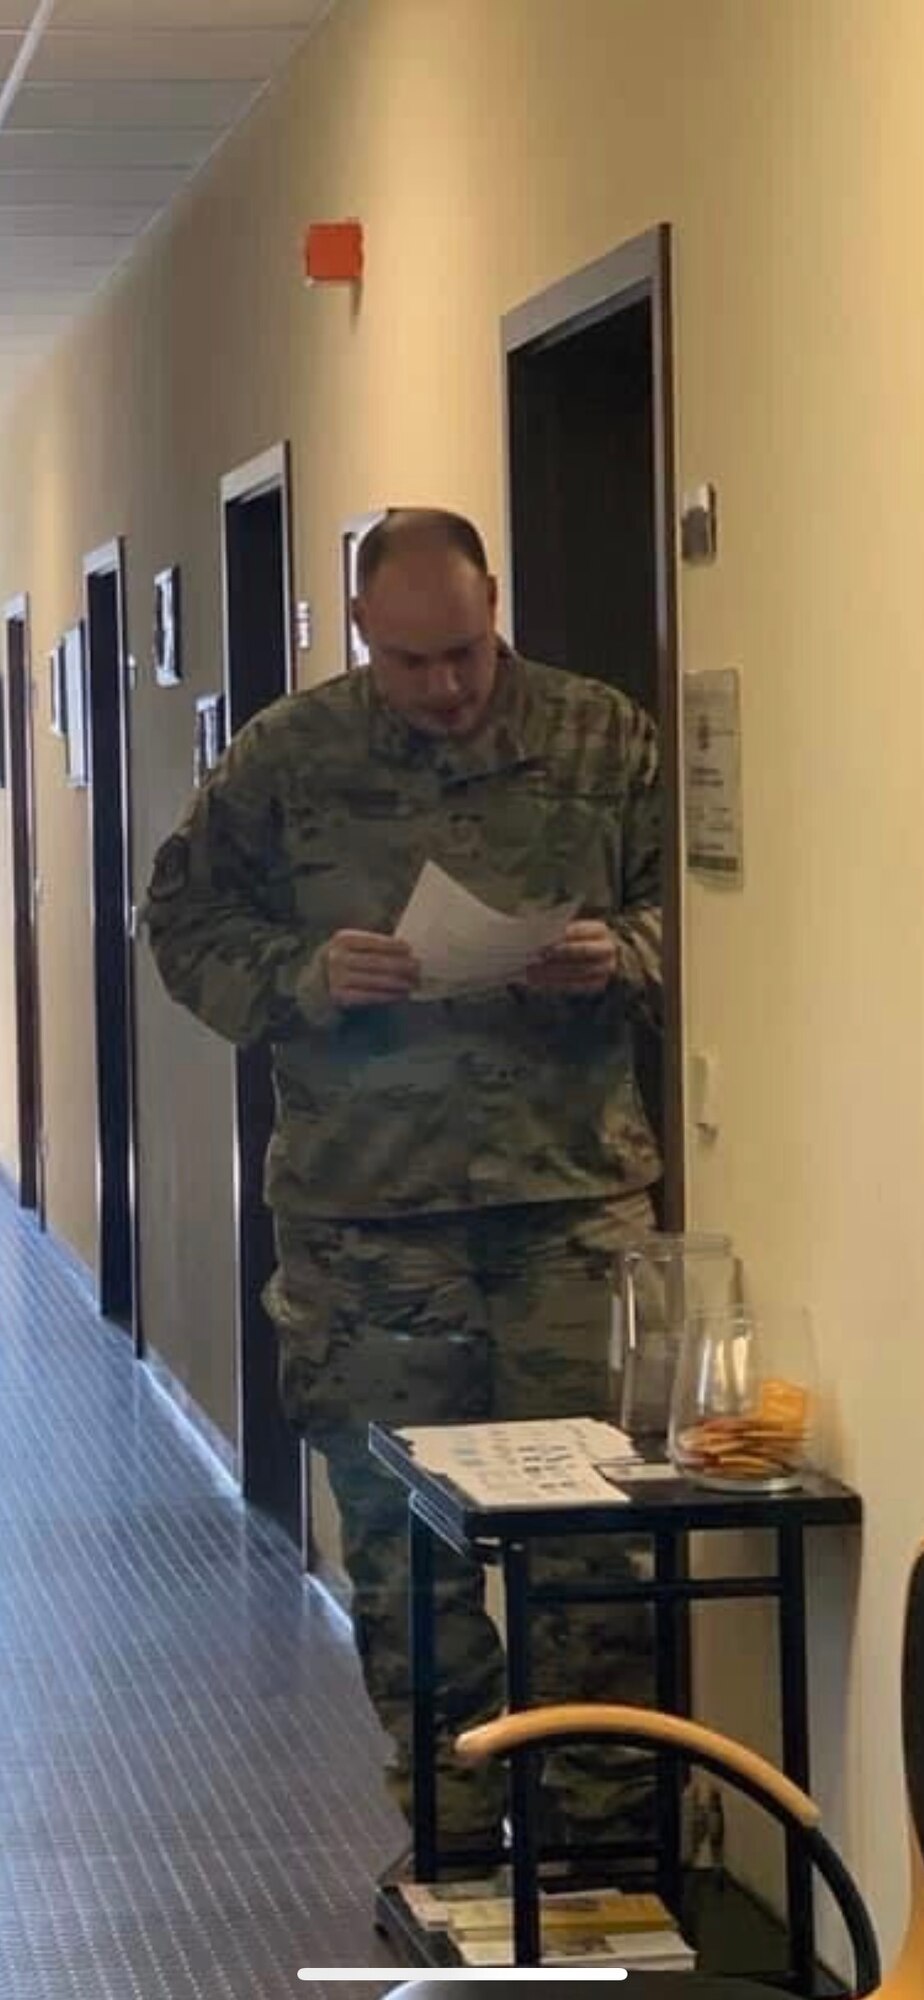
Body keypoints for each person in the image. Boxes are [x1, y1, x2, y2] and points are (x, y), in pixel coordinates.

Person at [144, 507, 663, 1865]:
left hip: (570, 1213)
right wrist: (301, 978)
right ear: (362, 634)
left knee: (591, 1555)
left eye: (469, 655)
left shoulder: (604, 737)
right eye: (412, 662)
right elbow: (182, 922)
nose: (445, 690)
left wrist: (622, 953)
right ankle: (453, 1847)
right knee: (404, 1559)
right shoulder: (285, 759)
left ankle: (600, 1854)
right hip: (367, 1234)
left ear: (498, 605)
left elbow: (716, 902)